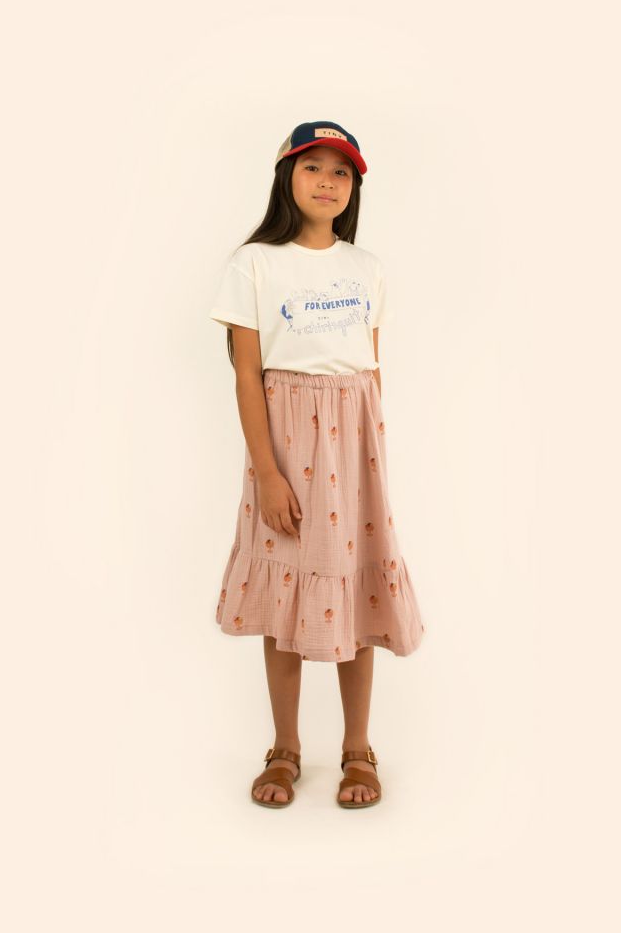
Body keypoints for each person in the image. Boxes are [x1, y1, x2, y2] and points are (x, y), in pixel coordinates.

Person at [208, 120, 425, 809]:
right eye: (313, 167)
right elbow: (247, 377)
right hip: (286, 442)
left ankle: (358, 748)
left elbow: (369, 369)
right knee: (287, 595)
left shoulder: (367, 268)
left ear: (353, 187)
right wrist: (268, 473)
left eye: (341, 171)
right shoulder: (253, 263)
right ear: (286, 177)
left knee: (355, 588)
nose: (327, 181)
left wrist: (370, 458)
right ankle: (285, 749)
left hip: (354, 445)